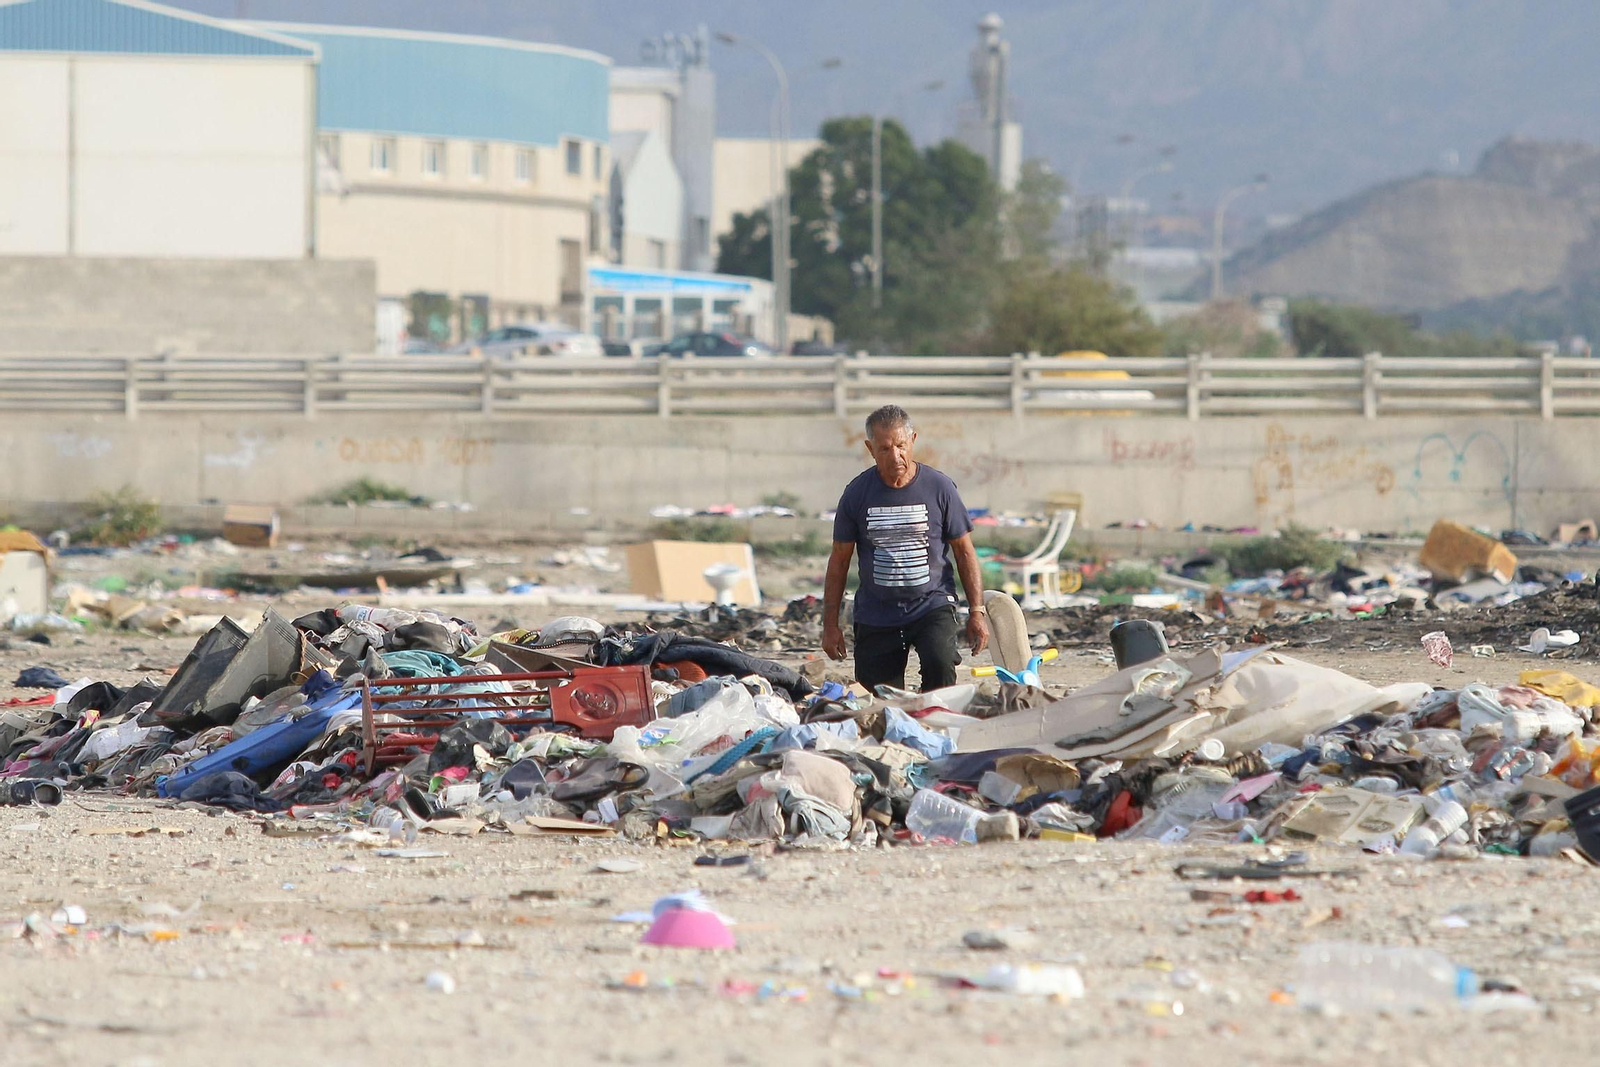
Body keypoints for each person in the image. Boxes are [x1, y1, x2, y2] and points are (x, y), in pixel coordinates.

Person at [822, 404, 989, 691]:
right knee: (879, 699)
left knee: (941, 671)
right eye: (885, 448)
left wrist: (977, 611)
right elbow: (839, 561)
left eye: (901, 445)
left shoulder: (940, 488)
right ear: (870, 449)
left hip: (931, 603)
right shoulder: (856, 494)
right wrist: (830, 625)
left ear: (912, 441)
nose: (895, 455)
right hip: (877, 610)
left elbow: (964, 551)